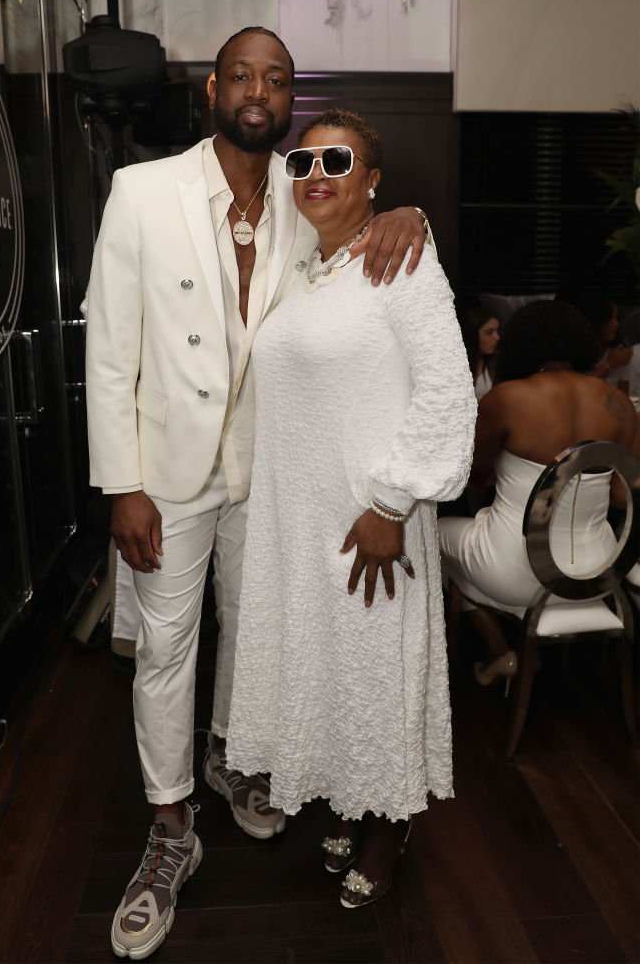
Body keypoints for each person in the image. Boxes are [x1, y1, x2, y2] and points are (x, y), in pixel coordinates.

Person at [85, 27, 430, 959]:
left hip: (270, 469)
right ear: (210, 89)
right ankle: (167, 828)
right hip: (167, 472)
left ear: (288, 98)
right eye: (241, 74)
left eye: (275, 79)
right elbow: (110, 348)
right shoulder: (143, 191)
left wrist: (414, 218)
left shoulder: (302, 190)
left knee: (258, 625)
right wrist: (123, 482)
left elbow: (364, 232)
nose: (257, 90)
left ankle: (233, 757)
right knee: (165, 646)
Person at [225, 109, 476, 909]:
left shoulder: (399, 262)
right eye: (303, 160)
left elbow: (446, 391)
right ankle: (347, 795)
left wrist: (392, 501)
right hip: (299, 520)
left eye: (339, 160)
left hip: (372, 520)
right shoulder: (306, 268)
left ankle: (387, 826)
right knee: (329, 670)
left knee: (375, 669)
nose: (316, 174)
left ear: (372, 181)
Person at [438, 300, 638, 690]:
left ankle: (500, 651)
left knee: (432, 539)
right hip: (598, 573)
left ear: (523, 344)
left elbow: (459, 473)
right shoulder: (619, 406)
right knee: (472, 556)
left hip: (516, 570)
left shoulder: (510, 398)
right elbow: (619, 498)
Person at [461, 306, 499, 400]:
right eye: (489, 332)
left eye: (497, 331)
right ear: (472, 335)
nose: (497, 337)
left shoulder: (496, 364)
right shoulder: (456, 368)